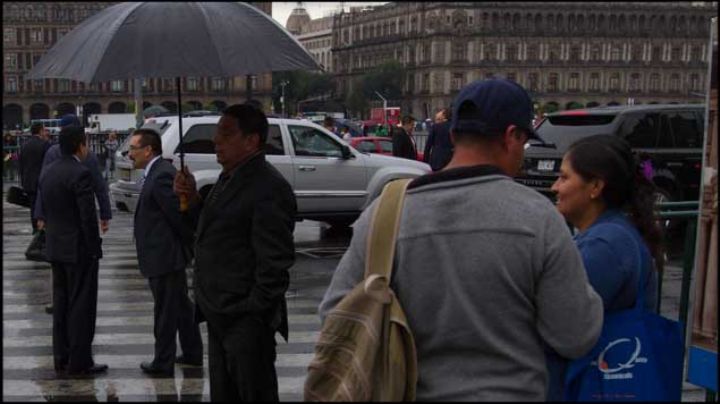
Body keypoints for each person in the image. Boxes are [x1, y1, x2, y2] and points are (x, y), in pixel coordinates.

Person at [318, 78, 603, 401]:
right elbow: (575, 335)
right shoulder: (538, 218)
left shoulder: (385, 214)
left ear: (453, 135)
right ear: (512, 137)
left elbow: (335, 316)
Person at [173, 104, 296, 401]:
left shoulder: (268, 186)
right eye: (217, 133)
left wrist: (252, 311)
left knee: (253, 393)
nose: (216, 140)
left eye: (226, 134)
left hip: (244, 320)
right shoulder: (228, 178)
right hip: (219, 313)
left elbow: (275, 262)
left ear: (252, 141)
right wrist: (190, 199)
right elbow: (210, 231)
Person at [546, 134, 662, 400]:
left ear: (595, 186)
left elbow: (564, 323)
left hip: (594, 384)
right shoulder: (614, 233)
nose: (555, 187)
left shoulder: (605, 244)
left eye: (564, 177)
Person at [128, 129, 203, 376]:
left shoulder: (161, 175)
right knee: (180, 306)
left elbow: (178, 216)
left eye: (133, 149)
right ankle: (192, 353)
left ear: (148, 150)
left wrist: (183, 249)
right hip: (164, 254)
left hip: (165, 256)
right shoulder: (157, 173)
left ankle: (163, 361)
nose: (130, 154)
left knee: (165, 311)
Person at [38, 125, 107, 375]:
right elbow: (87, 217)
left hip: (56, 249)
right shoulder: (80, 173)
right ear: (81, 145)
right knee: (81, 307)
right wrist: (93, 248)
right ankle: (80, 361)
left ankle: (61, 357)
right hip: (78, 251)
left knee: (62, 305)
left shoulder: (48, 172)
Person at [36, 114, 112, 315]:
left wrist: (40, 214)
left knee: (58, 273)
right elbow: (99, 187)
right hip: (76, 232)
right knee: (78, 284)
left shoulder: (51, 154)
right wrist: (105, 214)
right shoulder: (87, 158)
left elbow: (42, 185)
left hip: (55, 226)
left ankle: (58, 301)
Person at [19, 123, 51, 233]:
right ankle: (43, 228)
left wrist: (23, 181)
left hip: (28, 181)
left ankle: (35, 229)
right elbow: (48, 164)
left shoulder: (24, 145)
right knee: (44, 206)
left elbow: (21, 165)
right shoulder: (45, 144)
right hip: (42, 180)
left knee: (33, 206)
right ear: (40, 131)